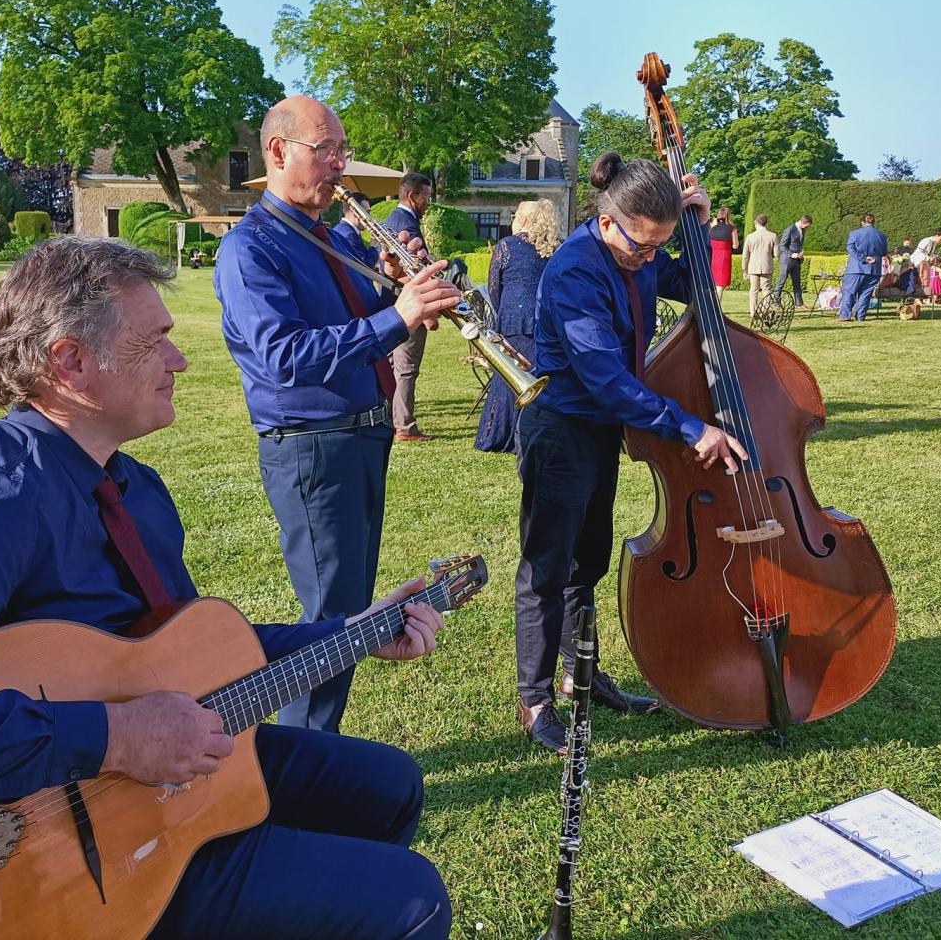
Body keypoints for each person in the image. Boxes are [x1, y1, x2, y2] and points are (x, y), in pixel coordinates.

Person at [0, 237, 452, 940]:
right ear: (69, 362)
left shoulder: (134, 487)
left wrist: (354, 632)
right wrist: (115, 737)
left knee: (390, 789)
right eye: (154, 344)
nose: (179, 361)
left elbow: (188, 654)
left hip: (178, 785)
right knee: (413, 902)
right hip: (88, 863)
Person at [213, 96, 462, 734]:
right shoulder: (251, 248)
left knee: (346, 612)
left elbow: (346, 326)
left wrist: (390, 290)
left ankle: (310, 754)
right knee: (331, 623)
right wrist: (397, 316)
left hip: (358, 439)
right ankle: (302, 760)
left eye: (341, 152)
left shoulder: (322, 236)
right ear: (278, 152)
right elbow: (283, 356)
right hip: (312, 448)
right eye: (328, 152)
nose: (340, 166)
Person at [513, 153, 747, 754]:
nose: (650, 258)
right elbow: (605, 378)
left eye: (658, 246)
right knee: (546, 569)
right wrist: (693, 428)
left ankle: (580, 675)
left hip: (601, 432)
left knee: (585, 563)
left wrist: (699, 230)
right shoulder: (573, 274)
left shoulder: (638, 253)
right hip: (561, 428)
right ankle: (535, 699)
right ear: (609, 220)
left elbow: (695, 287)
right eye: (643, 246)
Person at [474, 199, 560, 454]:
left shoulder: (506, 246)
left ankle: (499, 435)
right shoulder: (557, 248)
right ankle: (536, 432)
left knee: (506, 380)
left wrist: (503, 313)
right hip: (545, 321)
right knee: (540, 377)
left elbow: (493, 288)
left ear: (522, 219)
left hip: (513, 318)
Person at [383, 173, 436, 443]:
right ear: (413, 196)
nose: (429, 202)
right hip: (407, 305)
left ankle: (392, 419)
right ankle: (404, 426)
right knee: (406, 367)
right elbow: (408, 271)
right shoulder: (406, 224)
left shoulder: (394, 219)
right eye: (426, 196)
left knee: (395, 364)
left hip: (390, 305)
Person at [838, 215, 889, 322]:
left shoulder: (854, 233)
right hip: (874, 270)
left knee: (849, 292)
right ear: (874, 222)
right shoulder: (882, 236)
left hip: (856, 268)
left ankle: (845, 316)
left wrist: (864, 258)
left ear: (862, 222)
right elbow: (884, 253)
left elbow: (850, 248)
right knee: (865, 294)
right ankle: (860, 316)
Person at [742, 213, 778, 318]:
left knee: (753, 291)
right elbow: (777, 254)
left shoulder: (750, 237)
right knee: (767, 290)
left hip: (753, 267)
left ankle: (753, 313)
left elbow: (745, 256)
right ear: (766, 223)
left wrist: (744, 270)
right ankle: (765, 312)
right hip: (767, 266)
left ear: (756, 223)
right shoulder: (773, 236)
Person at [775, 214, 813, 308]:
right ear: (803, 222)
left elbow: (799, 244)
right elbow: (782, 246)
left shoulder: (802, 230)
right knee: (781, 281)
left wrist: (800, 253)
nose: (807, 228)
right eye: (807, 226)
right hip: (786, 260)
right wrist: (792, 254)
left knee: (797, 282)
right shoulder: (790, 230)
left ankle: (799, 303)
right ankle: (776, 303)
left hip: (797, 260)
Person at [708, 206, 738, 302]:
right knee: (720, 286)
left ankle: (714, 305)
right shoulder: (732, 229)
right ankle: (716, 307)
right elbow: (735, 245)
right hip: (724, 258)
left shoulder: (712, 228)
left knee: (714, 284)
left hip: (713, 258)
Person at [911, 228, 941, 293]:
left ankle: (919, 297)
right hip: (916, 263)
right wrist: (929, 258)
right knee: (918, 280)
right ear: (936, 236)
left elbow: (930, 254)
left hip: (923, 264)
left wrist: (933, 257)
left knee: (923, 281)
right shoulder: (926, 241)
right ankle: (917, 298)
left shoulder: (934, 243)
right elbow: (919, 253)